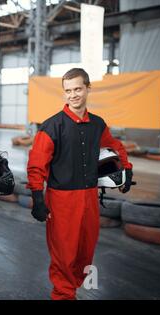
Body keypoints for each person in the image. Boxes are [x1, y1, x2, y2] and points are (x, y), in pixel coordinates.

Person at [26, 68, 134, 300]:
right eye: (68, 91)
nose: (73, 95)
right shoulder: (51, 126)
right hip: (61, 201)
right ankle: (63, 294)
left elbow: (115, 146)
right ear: (63, 93)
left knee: (85, 252)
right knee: (64, 255)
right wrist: (37, 197)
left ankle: (70, 289)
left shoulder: (98, 124)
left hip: (89, 199)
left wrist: (126, 169)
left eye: (77, 89)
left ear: (87, 89)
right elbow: (36, 166)